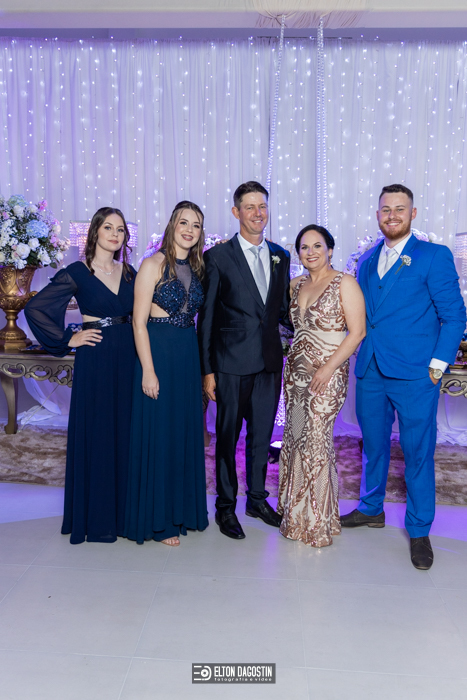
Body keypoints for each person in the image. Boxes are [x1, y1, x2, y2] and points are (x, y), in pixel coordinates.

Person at [340, 184, 466, 570]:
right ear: (377, 214)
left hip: (416, 374)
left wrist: (438, 366)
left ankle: (419, 529)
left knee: (417, 452)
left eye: (399, 208)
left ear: (412, 214)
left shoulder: (434, 256)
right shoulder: (366, 260)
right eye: (385, 209)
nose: (391, 215)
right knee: (373, 445)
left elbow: (454, 316)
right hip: (371, 370)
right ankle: (371, 509)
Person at [25, 207, 136, 544]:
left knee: (125, 431)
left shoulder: (129, 272)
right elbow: (36, 308)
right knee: (98, 430)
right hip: (96, 357)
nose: (115, 234)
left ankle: (124, 515)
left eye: (120, 229)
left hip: (128, 357)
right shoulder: (78, 271)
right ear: (95, 232)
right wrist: (68, 339)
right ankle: (96, 517)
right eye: (108, 227)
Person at [197, 181, 290, 540]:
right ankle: (225, 507)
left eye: (262, 206)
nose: (257, 213)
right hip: (230, 364)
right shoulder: (217, 257)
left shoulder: (280, 255)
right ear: (236, 212)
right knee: (227, 438)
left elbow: (283, 311)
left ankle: (256, 499)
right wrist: (208, 371)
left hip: (269, 363)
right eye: (249, 206)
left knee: (262, 437)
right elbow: (206, 318)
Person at [124, 201, 208, 546]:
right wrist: (148, 370)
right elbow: (138, 323)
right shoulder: (152, 264)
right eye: (184, 222)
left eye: (196, 225)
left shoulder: (198, 267)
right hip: (158, 352)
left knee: (182, 432)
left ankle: (181, 511)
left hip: (187, 354)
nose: (189, 230)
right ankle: (158, 521)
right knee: (159, 434)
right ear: (172, 225)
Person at [277, 225, 366, 547]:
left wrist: (328, 368)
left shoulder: (345, 283)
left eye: (317, 246)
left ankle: (317, 521)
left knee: (316, 442)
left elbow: (357, 332)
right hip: (295, 376)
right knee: (295, 438)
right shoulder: (296, 284)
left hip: (327, 374)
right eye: (304, 247)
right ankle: (295, 515)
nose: (310, 252)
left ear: (329, 249)